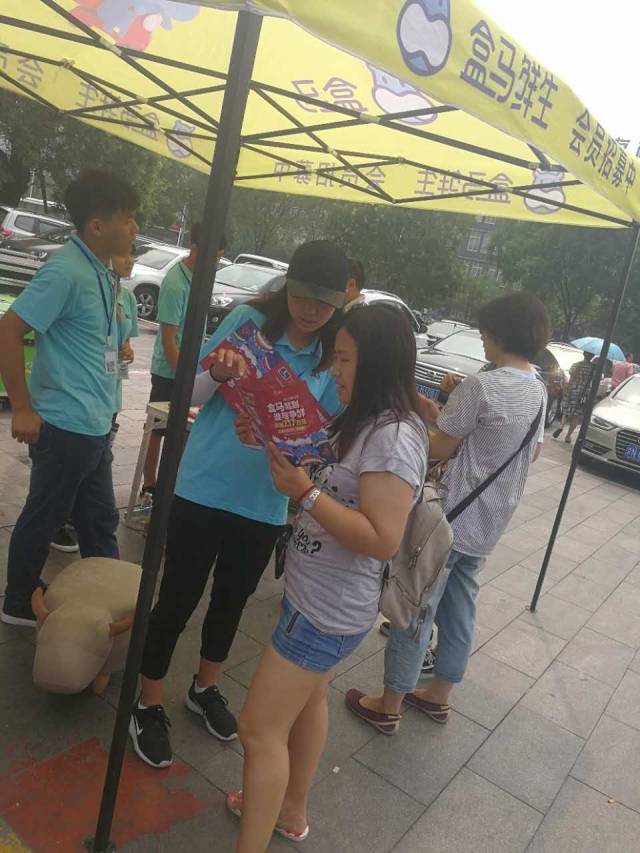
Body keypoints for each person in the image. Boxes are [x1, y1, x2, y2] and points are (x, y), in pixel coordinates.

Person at [129, 239, 347, 769]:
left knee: (231, 602)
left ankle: (204, 687)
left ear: (340, 303)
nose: (311, 311)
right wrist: (221, 374)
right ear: (288, 286)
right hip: (203, 488)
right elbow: (190, 394)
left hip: (265, 503)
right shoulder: (250, 323)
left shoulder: (332, 354)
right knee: (177, 597)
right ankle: (147, 702)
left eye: (324, 303)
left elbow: (324, 437)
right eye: (302, 296)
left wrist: (284, 441)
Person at [226, 304, 428, 851]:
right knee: (309, 701)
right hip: (319, 598)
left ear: (377, 361)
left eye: (343, 358)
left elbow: (382, 537)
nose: (333, 369)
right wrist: (264, 436)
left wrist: (306, 494)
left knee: (258, 729)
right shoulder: (365, 418)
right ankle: (290, 810)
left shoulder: (393, 437)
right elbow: (319, 466)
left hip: (325, 612)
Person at [347, 292, 548, 733]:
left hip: (449, 519)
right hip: (490, 522)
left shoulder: (483, 385)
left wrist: (420, 420)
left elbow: (440, 446)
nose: (482, 340)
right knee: (460, 610)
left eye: (485, 332)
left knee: (416, 605)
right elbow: (529, 453)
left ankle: (389, 704)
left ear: (499, 334)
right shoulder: (538, 389)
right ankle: (439, 696)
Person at [0, 169, 139, 627]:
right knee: (45, 517)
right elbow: (8, 330)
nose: (135, 228)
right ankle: (18, 600)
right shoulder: (65, 271)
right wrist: (22, 407)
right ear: (98, 225)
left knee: (98, 521)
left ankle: (112, 599)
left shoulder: (100, 272)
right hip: (64, 426)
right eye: (127, 218)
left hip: (94, 424)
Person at [141, 224, 227, 496]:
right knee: (158, 429)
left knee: (183, 431)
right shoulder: (176, 283)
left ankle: (173, 484)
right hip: (170, 371)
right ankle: (150, 484)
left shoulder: (199, 280)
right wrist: (185, 380)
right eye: (213, 256)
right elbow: (168, 340)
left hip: (189, 370)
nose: (216, 263)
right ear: (196, 249)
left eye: (219, 257)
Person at [111, 245, 139, 446]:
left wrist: (128, 351)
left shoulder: (128, 297)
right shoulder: (95, 291)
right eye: (123, 254)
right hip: (91, 379)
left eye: (132, 255)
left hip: (114, 376)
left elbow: (127, 340)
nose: (130, 261)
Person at [553, 349, 594, 443]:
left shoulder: (576, 365)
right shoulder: (593, 368)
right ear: (592, 356)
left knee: (566, 411)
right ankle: (568, 436)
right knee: (576, 415)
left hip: (573, 390)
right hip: (584, 394)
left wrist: (567, 389)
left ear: (584, 354)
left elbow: (571, 380)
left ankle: (561, 427)